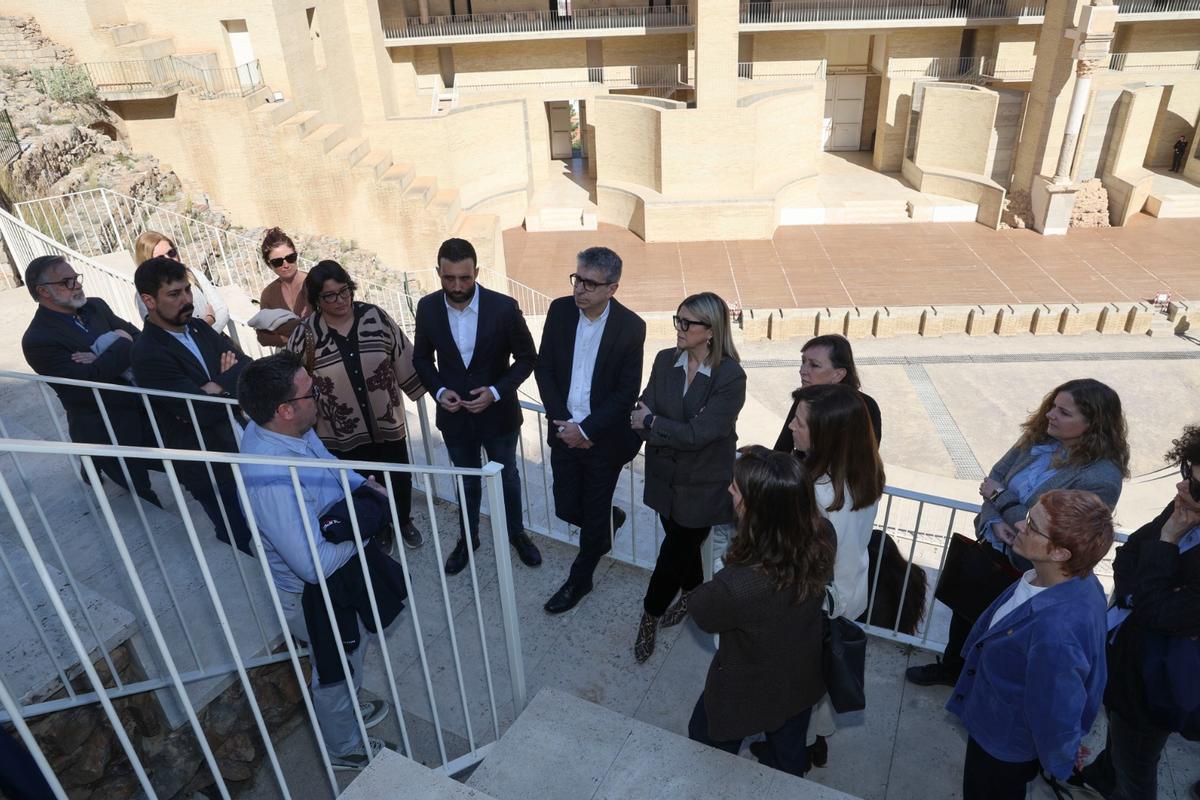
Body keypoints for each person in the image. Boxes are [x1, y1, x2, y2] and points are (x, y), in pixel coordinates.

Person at [907, 378, 1128, 689]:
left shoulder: (1101, 478)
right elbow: (993, 480)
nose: (1051, 414)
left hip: (1030, 570)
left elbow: (1051, 527)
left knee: (1004, 634)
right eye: (1053, 405)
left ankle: (983, 687)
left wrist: (1001, 500)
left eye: (1064, 413)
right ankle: (952, 669)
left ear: (1094, 424)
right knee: (965, 612)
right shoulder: (1037, 440)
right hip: (991, 548)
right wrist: (993, 522)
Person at [237, 352, 394, 770]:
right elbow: (313, 565)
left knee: (351, 649)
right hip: (311, 595)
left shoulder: (288, 430)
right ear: (285, 409)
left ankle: (349, 712)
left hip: (330, 580)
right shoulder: (270, 479)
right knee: (336, 667)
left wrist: (366, 488)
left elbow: (326, 464)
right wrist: (367, 529)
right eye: (312, 391)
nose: (320, 395)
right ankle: (345, 748)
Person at [948, 489, 1113, 799]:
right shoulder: (1072, 580)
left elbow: (1057, 707)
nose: (1021, 526)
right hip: (998, 723)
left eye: (1032, 525)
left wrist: (1062, 754)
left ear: (1060, 553)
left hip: (1003, 743)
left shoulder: (1057, 631)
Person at [686, 446, 835, 779]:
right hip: (800, 679)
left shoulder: (737, 585)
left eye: (736, 488)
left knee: (704, 748)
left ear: (754, 509)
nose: (729, 490)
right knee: (788, 756)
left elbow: (701, 610)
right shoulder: (824, 536)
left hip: (743, 692)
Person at [1072, 426, 1200, 799]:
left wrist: (1168, 542)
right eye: (1186, 472)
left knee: (1137, 768)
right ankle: (1103, 774)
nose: (1181, 488)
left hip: (1154, 684)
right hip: (1128, 657)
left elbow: (1157, 610)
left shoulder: (1180, 520)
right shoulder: (1183, 508)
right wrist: (1141, 595)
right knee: (1119, 729)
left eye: (1194, 484)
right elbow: (1128, 556)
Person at [412, 238, 542, 574]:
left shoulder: (504, 307)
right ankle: (467, 539)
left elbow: (527, 358)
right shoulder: (427, 308)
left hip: (499, 416)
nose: (457, 286)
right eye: (449, 278)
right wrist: (439, 391)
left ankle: (517, 534)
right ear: (439, 273)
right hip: (455, 419)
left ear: (477, 273)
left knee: (507, 477)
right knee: (466, 481)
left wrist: (496, 392)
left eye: (465, 278)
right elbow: (422, 359)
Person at [630, 291, 746, 662]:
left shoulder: (730, 376)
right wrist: (660, 425)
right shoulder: (666, 360)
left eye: (688, 322)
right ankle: (694, 595)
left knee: (673, 551)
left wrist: (654, 423)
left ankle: (650, 614)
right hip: (665, 477)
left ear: (711, 330)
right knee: (681, 545)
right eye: (677, 319)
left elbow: (700, 434)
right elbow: (641, 411)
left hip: (705, 485)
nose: (679, 328)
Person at [534, 247, 645, 614]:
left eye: (590, 284)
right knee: (567, 506)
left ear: (612, 288)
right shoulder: (560, 310)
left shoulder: (631, 328)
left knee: (592, 518)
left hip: (603, 441)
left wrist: (586, 429)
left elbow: (625, 393)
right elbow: (545, 368)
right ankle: (607, 524)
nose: (579, 289)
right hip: (564, 430)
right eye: (577, 279)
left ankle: (579, 581)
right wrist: (565, 423)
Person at [287, 260, 426, 551]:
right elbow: (290, 379)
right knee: (359, 484)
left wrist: (425, 388)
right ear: (316, 300)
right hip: (341, 433)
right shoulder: (305, 335)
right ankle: (378, 527)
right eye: (331, 296)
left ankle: (401, 520)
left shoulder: (375, 317)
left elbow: (402, 353)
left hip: (387, 423)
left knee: (399, 476)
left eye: (345, 291)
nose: (341, 300)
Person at [787, 381, 885, 767]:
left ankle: (801, 744)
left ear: (828, 434)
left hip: (826, 603)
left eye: (799, 422)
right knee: (827, 676)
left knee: (807, 682)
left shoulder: (824, 495)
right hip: (849, 593)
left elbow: (833, 558)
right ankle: (819, 737)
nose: (792, 427)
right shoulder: (865, 472)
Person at [131, 255, 254, 554]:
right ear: (149, 300)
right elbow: (195, 409)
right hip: (210, 469)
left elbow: (249, 369)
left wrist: (216, 384)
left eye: (187, 290)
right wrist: (226, 379)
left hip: (245, 445)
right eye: (174, 294)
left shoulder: (198, 327)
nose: (187, 300)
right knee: (241, 539)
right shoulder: (147, 352)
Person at [20, 255, 162, 505]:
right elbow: (87, 382)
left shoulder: (96, 306)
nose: (77, 285)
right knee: (140, 491)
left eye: (76, 278)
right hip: (105, 422)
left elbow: (141, 338)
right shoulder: (37, 339)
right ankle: (92, 463)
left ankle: (91, 462)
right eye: (67, 281)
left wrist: (104, 353)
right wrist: (121, 342)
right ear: (43, 291)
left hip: (142, 404)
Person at [773, 334, 881, 454]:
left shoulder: (865, 407)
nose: (802, 370)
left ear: (838, 375)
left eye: (814, 365)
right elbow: (782, 449)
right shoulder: (806, 398)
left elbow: (863, 460)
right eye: (803, 362)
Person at [133, 231, 229, 331]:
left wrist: (206, 336)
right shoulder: (146, 295)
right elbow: (167, 332)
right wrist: (208, 321)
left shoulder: (193, 274)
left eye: (171, 253)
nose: (170, 259)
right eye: (160, 258)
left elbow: (221, 310)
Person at [256, 227, 310, 348]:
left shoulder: (315, 283)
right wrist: (288, 340)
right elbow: (263, 336)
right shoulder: (268, 294)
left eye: (290, 258)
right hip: (291, 361)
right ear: (269, 265)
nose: (286, 265)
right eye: (277, 262)